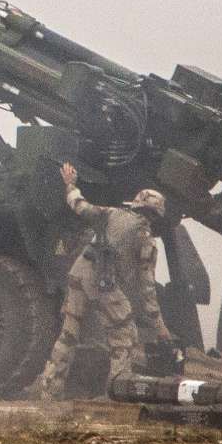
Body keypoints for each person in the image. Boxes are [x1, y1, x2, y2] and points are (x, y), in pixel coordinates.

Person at [33, 162, 174, 400]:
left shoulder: (110, 214)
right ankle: (117, 392)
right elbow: (147, 289)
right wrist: (161, 329)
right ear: (155, 215)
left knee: (69, 333)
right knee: (125, 333)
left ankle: (49, 389)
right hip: (102, 282)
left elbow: (79, 205)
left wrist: (70, 184)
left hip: (79, 274)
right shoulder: (145, 239)